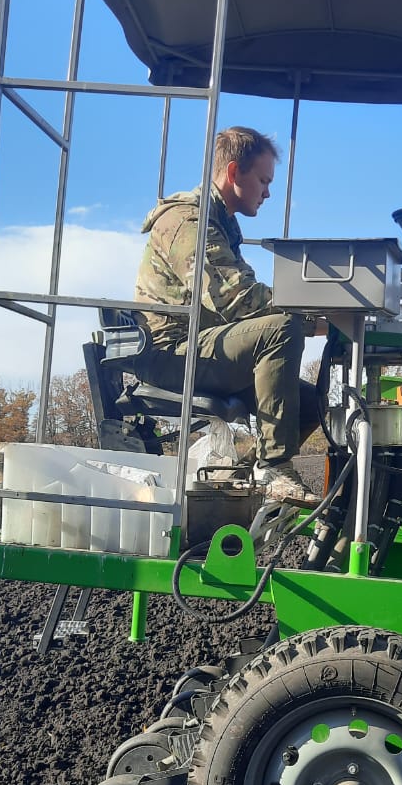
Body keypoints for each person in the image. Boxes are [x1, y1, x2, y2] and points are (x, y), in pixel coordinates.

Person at [133, 127, 321, 504]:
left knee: (312, 402)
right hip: (171, 353)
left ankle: (241, 476)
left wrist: (317, 317)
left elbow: (244, 299)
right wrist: (314, 315)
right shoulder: (190, 221)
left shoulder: (219, 222)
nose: (268, 192)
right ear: (234, 173)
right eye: (264, 180)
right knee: (280, 329)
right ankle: (273, 467)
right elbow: (235, 298)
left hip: (199, 348)